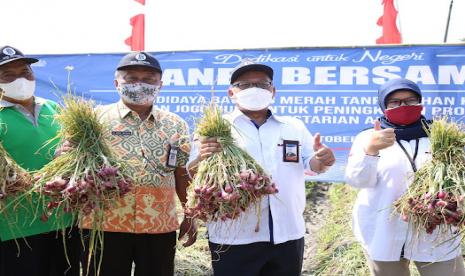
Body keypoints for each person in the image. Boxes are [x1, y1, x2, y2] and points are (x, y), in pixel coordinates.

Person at [187, 60, 335, 276]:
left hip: (288, 233)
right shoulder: (217, 128)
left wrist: (322, 161)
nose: (254, 90)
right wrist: (201, 157)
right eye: (245, 85)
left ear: (272, 91)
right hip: (233, 236)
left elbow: (312, 162)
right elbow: (191, 172)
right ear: (231, 93)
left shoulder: (293, 126)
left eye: (262, 85)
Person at [81, 51, 197, 276]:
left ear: (160, 85)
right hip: (104, 224)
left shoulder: (176, 124)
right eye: (131, 78)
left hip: (159, 226)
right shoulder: (94, 121)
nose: (140, 84)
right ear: (117, 83)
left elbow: (181, 173)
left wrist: (190, 214)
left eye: (148, 79)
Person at [345, 78, 465, 276]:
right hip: (383, 229)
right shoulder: (368, 138)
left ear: (420, 102)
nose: (403, 106)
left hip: (435, 227)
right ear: (384, 106)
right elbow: (357, 181)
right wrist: (371, 150)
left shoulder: (441, 136)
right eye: (395, 102)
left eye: (410, 100)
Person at [0, 45, 80, 276]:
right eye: (8, 75)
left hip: (64, 221)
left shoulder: (53, 108)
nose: (20, 79)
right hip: (15, 227)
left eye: (25, 72)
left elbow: (70, 151)